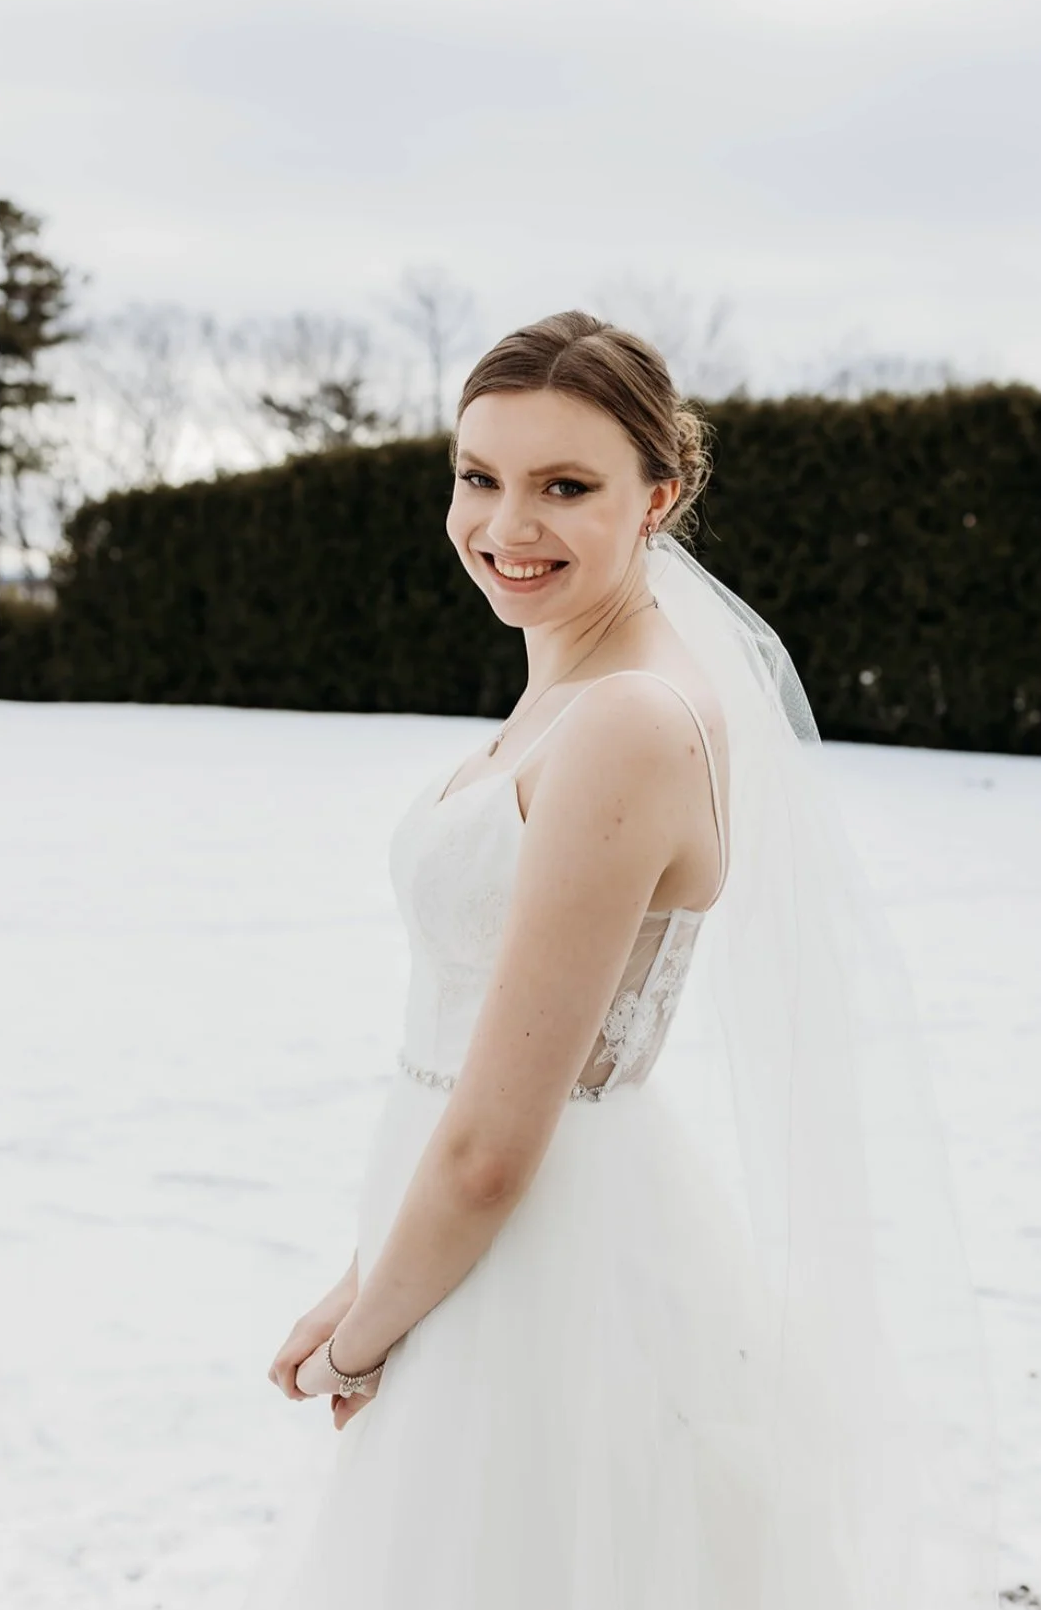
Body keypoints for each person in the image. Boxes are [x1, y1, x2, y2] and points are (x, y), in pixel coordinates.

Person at [241, 311, 998, 1609]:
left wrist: (368, 1345)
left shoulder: (630, 721)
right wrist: (374, 1270)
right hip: (461, 1229)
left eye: (565, 487)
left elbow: (493, 1148)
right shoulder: (573, 684)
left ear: (665, 494)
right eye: (478, 476)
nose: (504, 525)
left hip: (541, 1257)